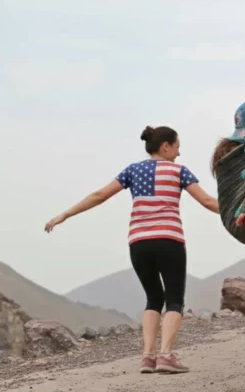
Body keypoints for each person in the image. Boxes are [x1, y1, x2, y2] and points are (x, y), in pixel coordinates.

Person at [44, 126, 221, 374]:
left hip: (138, 243)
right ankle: (166, 356)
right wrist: (238, 212)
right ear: (165, 146)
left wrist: (65, 214)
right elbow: (207, 201)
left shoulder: (132, 171)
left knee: (153, 298)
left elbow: (100, 195)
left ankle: (148, 357)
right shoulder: (179, 171)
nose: (179, 153)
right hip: (169, 239)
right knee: (173, 300)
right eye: (177, 146)